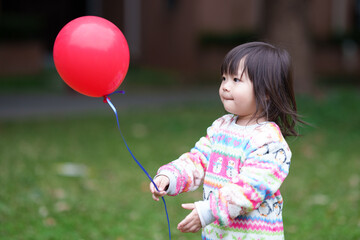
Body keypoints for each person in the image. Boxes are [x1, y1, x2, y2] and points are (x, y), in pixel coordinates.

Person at [149, 42, 302, 240]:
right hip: (217, 233)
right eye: (224, 78)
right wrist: (170, 177)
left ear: (266, 92)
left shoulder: (269, 141)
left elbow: (250, 187)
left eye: (236, 79)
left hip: (253, 235)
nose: (225, 86)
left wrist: (208, 211)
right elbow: (198, 159)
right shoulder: (221, 127)